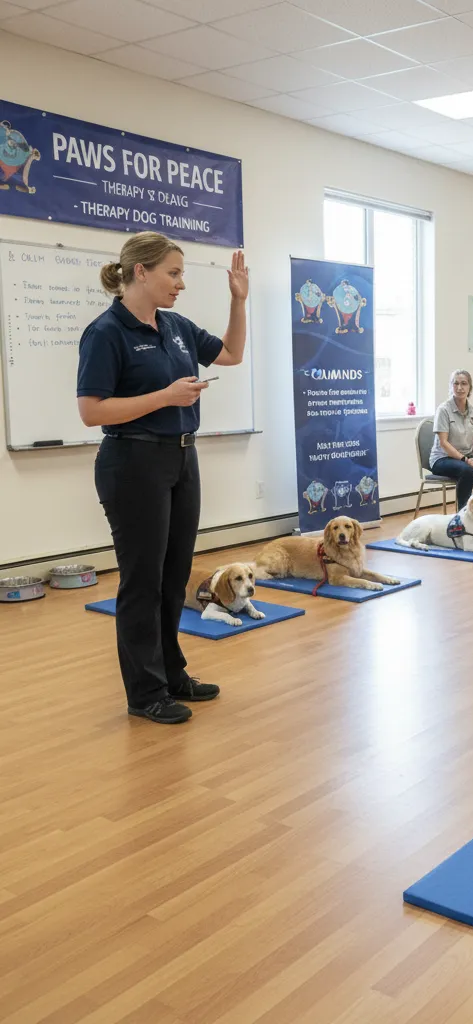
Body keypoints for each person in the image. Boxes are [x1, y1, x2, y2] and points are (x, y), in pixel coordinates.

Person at [77, 232, 248, 725]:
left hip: (180, 459)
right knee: (143, 582)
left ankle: (172, 675)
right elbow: (91, 410)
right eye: (173, 273)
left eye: (182, 273)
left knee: (174, 580)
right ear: (140, 272)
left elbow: (231, 354)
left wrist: (238, 301)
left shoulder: (175, 325)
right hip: (132, 463)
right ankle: (145, 691)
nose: (181, 284)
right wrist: (164, 397)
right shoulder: (107, 331)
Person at [428, 369, 473, 534]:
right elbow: (443, 442)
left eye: (464, 383)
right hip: (442, 458)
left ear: (470, 388)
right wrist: (466, 460)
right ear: (451, 386)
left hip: (467, 457)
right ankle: (461, 521)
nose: (460, 387)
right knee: (467, 471)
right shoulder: (443, 410)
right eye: (456, 383)